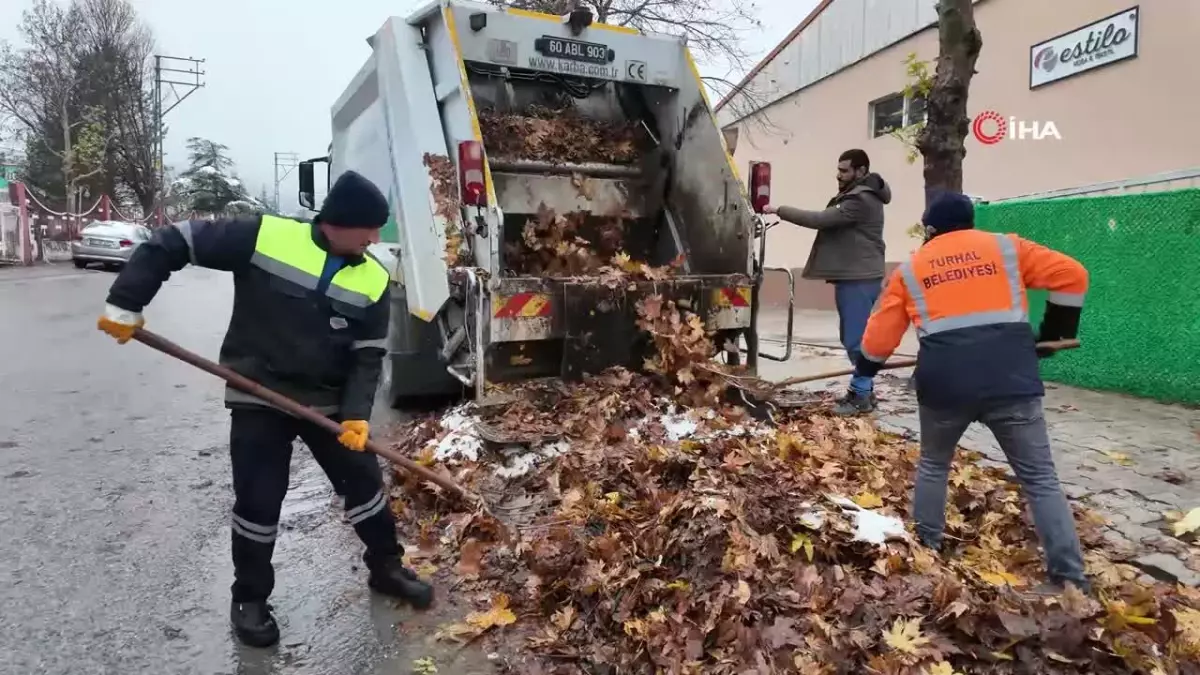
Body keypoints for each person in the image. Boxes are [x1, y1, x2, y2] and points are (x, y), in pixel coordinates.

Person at [96, 171, 434, 648]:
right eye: (370, 229)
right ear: (341, 222)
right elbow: (171, 241)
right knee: (259, 500)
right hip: (259, 392)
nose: (376, 239)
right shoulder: (265, 236)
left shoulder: (374, 277)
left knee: (364, 484)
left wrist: (356, 414)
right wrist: (126, 302)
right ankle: (250, 599)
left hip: (328, 401)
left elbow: (367, 355)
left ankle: (387, 568)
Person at [851, 191, 1090, 592]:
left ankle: (926, 548)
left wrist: (867, 368)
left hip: (946, 385)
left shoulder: (912, 268)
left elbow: (880, 335)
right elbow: (1073, 275)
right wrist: (1053, 335)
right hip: (1011, 380)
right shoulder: (1007, 248)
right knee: (1039, 478)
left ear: (929, 229)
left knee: (933, 465)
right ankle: (1070, 580)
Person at [763, 149, 891, 415]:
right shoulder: (859, 195)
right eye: (839, 169)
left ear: (861, 171)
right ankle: (864, 391)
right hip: (858, 275)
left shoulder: (861, 200)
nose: (839, 175)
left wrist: (779, 210)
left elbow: (821, 220)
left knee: (856, 341)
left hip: (859, 277)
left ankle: (861, 396)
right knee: (856, 338)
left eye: (844, 170)